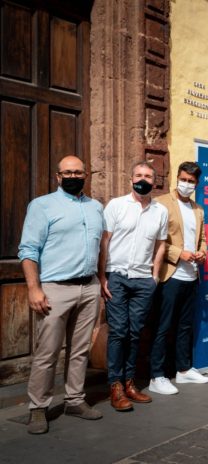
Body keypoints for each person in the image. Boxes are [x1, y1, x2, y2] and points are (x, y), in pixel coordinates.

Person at [18, 155, 104, 434]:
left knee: (80, 351)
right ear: (57, 176)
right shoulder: (42, 206)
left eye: (78, 172)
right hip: (55, 289)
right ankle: (38, 408)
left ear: (85, 175)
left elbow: (101, 248)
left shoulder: (95, 207)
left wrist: (100, 281)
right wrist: (34, 288)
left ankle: (75, 400)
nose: (73, 176)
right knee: (47, 352)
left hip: (89, 287)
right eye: (67, 172)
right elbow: (28, 250)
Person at [99, 161, 168, 411]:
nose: (143, 179)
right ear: (131, 179)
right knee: (118, 332)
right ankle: (115, 386)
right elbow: (104, 242)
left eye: (148, 175)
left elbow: (161, 244)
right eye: (138, 175)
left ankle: (130, 383)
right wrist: (102, 277)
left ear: (154, 181)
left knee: (135, 332)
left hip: (143, 280)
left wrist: (155, 276)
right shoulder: (116, 205)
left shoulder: (160, 211)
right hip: (116, 276)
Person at [148, 162, 208, 396]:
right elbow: (156, 240)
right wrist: (178, 254)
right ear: (177, 178)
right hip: (170, 275)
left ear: (196, 183)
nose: (186, 184)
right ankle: (157, 375)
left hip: (192, 275)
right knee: (163, 326)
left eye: (191, 181)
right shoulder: (162, 203)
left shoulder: (198, 209)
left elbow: (202, 238)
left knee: (185, 326)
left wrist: (202, 253)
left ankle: (183, 370)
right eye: (183, 179)